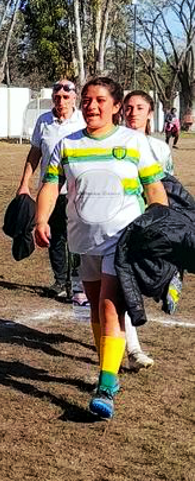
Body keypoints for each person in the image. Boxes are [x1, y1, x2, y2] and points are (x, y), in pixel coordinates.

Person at [35, 77, 167, 420]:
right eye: (89, 100)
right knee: (94, 309)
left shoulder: (133, 143)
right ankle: (108, 367)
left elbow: (154, 189)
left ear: (115, 106)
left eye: (101, 101)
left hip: (122, 241)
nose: (92, 106)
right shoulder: (67, 145)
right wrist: (41, 220)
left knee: (110, 307)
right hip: (83, 240)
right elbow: (51, 184)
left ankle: (106, 385)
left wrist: (158, 228)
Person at [17, 80, 86, 300]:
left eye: (66, 97)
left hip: (77, 190)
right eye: (57, 97)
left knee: (76, 236)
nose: (61, 101)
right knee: (54, 235)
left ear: (75, 98)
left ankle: (77, 281)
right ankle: (60, 280)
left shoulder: (83, 120)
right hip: (51, 189)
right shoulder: (44, 121)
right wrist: (24, 183)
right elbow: (35, 153)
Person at [121, 90, 176, 369]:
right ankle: (133, 349)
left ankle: (168, 283)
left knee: (143, 279)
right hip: (123, 225)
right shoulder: (115, 143)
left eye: (139, 107)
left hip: (150, 225)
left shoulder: (161, 150)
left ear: (150, 113)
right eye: (128, 108)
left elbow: (168, 190)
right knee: (124, 283)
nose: (133, 113)